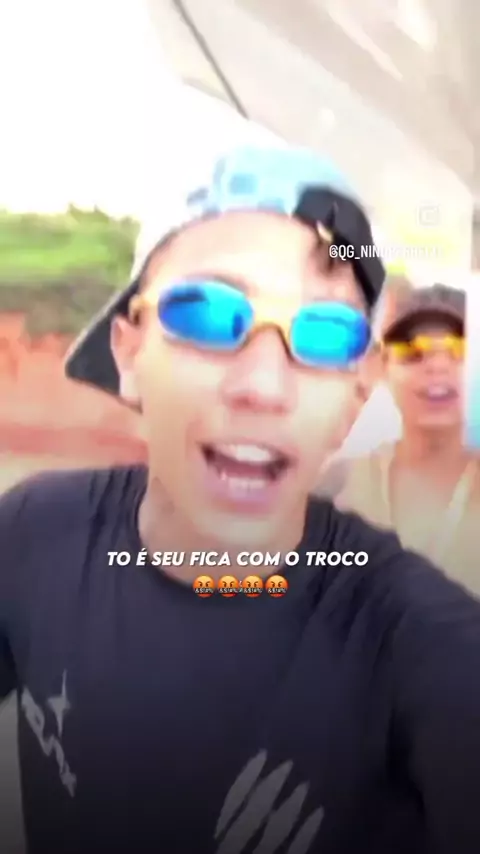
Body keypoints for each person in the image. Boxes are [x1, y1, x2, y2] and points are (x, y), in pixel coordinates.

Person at [2, 145, 480, 854]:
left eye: (326, 333)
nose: (263, 385)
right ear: (129, 353)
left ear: (354, 398)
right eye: (206, 312)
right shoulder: (34, 533)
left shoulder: (409, 636)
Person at [334, 283, 480, 594]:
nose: (437, 367)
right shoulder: (339, 484)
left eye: (460, 351)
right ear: (383, 368)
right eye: (412, 353)